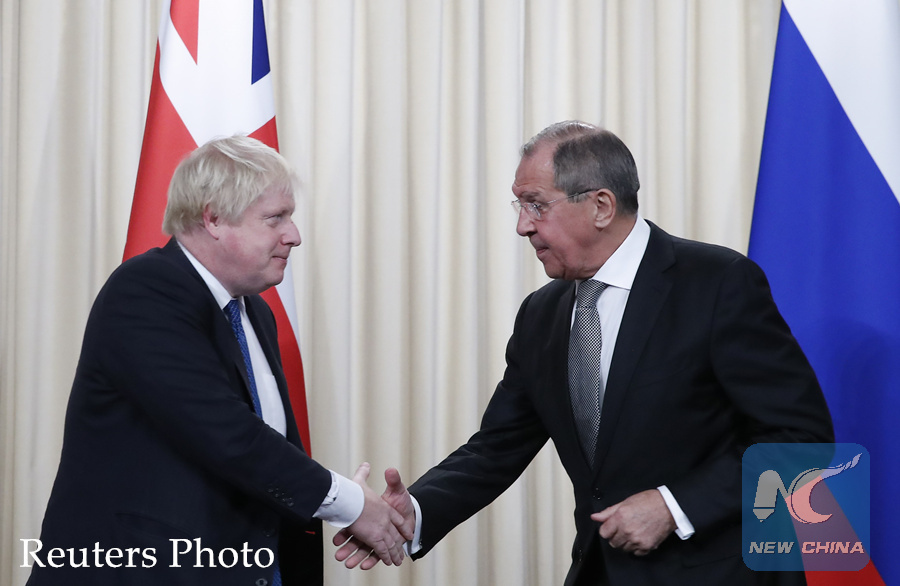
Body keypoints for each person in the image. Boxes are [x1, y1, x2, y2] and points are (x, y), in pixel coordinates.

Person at [336, 122, 834, 584]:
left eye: (536, 205)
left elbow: (802, 439)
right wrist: (414, 512)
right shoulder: (542, 314)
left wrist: (673, 505)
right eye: (519, 207)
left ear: (600, 206)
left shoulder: (717, 283)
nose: (522, 227)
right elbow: (496, 448)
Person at [27, 136, 410, 586]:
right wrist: (350, 503)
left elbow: (267, 456)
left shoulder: (255, 311)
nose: (294, 235)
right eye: (275, 218)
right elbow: (227, 435)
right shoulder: (145, 291)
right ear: (213, 218)